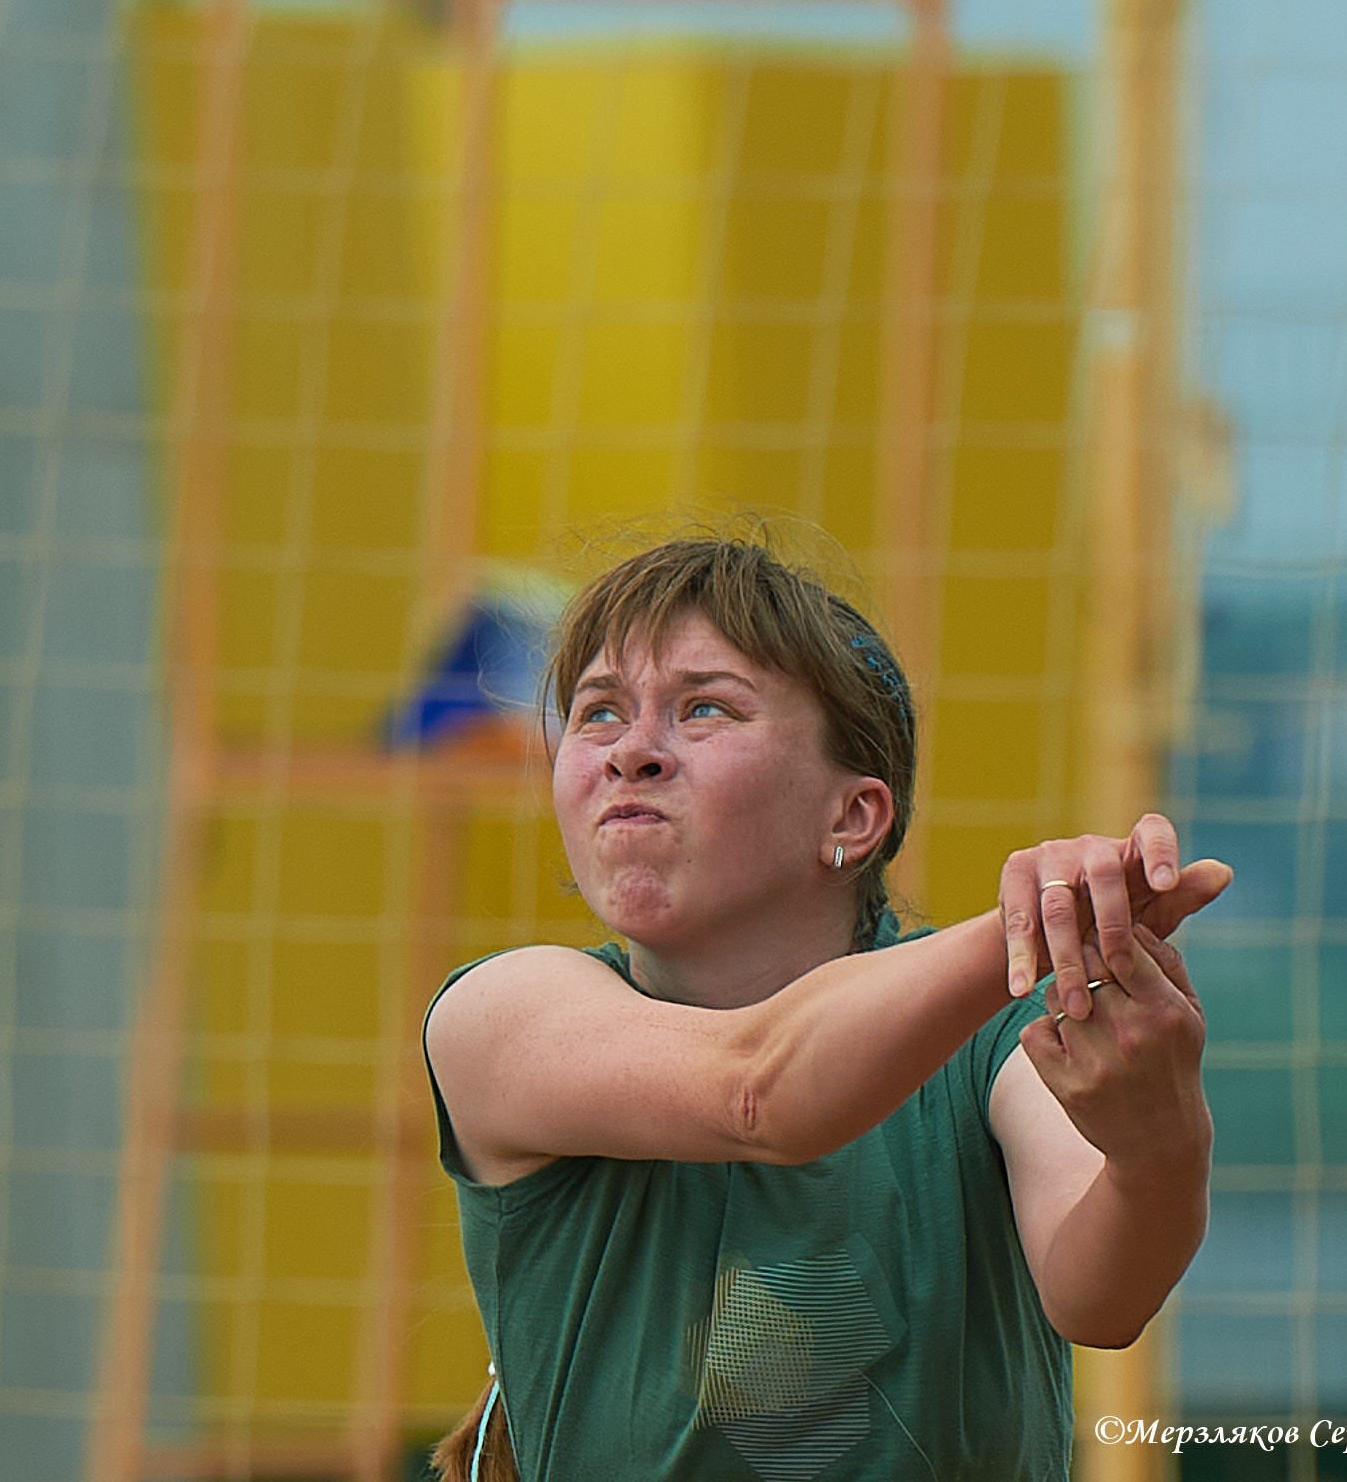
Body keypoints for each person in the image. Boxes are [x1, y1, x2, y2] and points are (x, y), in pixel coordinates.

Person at [422, 534, 1230, 1482]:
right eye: (598, 712)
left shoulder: (996, 1039)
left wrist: (1159, 1150)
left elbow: (1102, 1301)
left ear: (852, 818)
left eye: (703, 709)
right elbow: (759, 1091)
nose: (630, 753)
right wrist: (1037, 920)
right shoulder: (498, 1014)